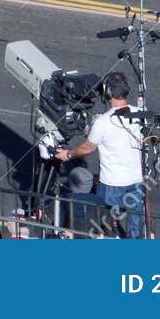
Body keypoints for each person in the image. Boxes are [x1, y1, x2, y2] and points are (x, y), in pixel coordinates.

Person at [54, 72, 143, 238]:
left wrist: (68, 154)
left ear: (107, 93)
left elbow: (87, 148)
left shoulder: (102, 122)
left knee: (103, 221)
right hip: (136, 179)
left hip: (111, 183)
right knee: (136, 222)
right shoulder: (139, 114)